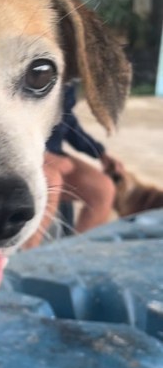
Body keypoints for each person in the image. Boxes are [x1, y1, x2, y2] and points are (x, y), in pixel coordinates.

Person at [25, 80, 124, 248]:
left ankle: (76, 252)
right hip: (25, 150)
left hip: (54, 153)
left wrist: (100, 153)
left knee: (103, 189)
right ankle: (26, 258)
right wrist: (43, 154)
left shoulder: (69, 75)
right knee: (51, 183)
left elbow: (67, 120)